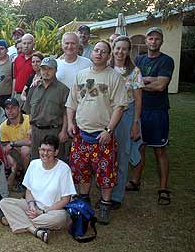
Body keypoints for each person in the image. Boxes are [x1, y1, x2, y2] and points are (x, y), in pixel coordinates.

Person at [66, 40, 128, 225]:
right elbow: (72, 103)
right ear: (91, 54)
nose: (99, 53)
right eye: (96, 50)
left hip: (103, 135)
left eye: (103, 51)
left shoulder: (114, 78)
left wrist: (109, 130)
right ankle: (84, 202)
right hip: (81, 134)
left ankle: (105, 205)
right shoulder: (81, 75)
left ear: (108, 56)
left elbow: (119, 106)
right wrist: (70, 122)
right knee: (81, 170)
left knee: (105, 172)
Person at [0, 135, 76, 244]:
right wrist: (31, 206)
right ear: (39, 150)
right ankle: (35, 230)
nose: (45, 153)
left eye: (49, 151)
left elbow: (65, 199)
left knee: (61, 218)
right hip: (33, 206)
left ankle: (13, 220)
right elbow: (29, 190)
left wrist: (42, 212)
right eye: (43, 149)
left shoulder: (63, 169)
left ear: (56, 152)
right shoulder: (34, 164)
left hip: (52, 211)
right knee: (4, 202)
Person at [129, 27, 174, 205]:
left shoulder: (166, 61)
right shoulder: (139, 59)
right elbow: (131, 80)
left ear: (161, 41)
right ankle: (135, 181)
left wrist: (141, 83)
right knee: (140, 147)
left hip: (158, 111)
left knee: (160, 150)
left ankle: (163, 188)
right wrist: (149, 80)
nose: (153, 41)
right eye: (150, 38)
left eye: (156, 39)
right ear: (146, 41)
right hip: (140, 110)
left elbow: (160, 86)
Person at [107, 36, 144, 209]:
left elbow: (138, 100)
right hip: (107, 113)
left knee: (122, 155)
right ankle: (105, 190)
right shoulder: (106, 68)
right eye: (117, 48)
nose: (120, 52)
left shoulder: (134, 72)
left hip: (126, 115)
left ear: (129, 51)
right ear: (112, 49)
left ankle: (116, 195)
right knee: (106, 155)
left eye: (124, 49)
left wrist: (135, 123)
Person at [24, 57, 69, 161]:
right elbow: (30, 109)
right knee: (36, 161)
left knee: (55, 162)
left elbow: (66, 113)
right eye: (43, 69)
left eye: (50, 69)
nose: (46, 72)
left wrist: (64, 131)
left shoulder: (63, 90)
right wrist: (30, 128)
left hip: (53, 131)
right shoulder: (34, 88)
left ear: (55, 70)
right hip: (36, 132)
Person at [0, 98, 31, 191]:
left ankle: (26, 179)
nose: (10, 111)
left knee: (25, 149)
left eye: (13, 108)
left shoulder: (28, 119)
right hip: (16, 153)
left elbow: (30, 141)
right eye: (7, 108)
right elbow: (5, 146)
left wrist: (13, 143)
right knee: (5, 150)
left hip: (32, 152)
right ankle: (15, 174)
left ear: (19, 108)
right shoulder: (3, 126)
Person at [13, 33, 35, 106]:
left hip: (31, 95)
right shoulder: (17, 59)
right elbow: (15, 78)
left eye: (29, 43)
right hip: (18, 95)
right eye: (24, 43)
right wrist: (13, 95)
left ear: (33, 44)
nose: (26, 46)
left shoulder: (37, 58)